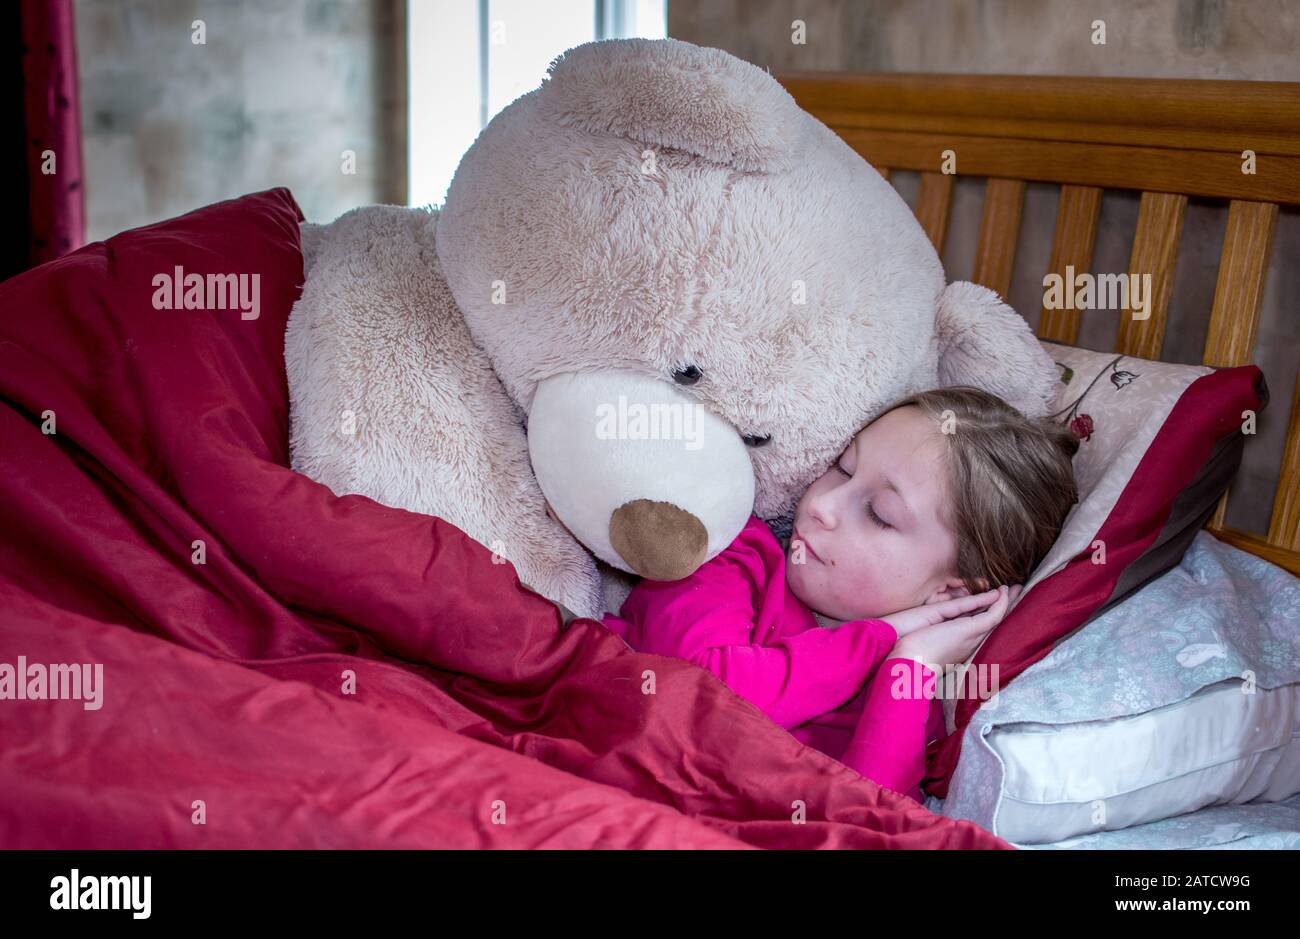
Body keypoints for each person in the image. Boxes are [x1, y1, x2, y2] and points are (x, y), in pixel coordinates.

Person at [601, 386, 1080, 802]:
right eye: (844, 469)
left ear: (951, 591)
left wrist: (912, 664)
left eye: (879, 514)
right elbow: (701, 695)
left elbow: (868, 820)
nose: (822, 505)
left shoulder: (905, 693)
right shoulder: (726, 550)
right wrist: (882, 635)